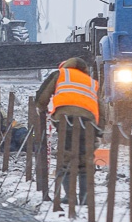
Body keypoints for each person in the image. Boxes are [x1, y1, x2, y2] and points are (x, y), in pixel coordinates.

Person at [33, 56, 100, 201]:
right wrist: (99, 130)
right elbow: (100, 107)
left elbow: (42, 96)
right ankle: (85, 197)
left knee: (67, 158)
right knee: (85, 160)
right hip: (89, 123)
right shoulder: (92, 82)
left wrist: (41, 108)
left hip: (67, 121)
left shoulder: (61, 74)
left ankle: (70, 197)